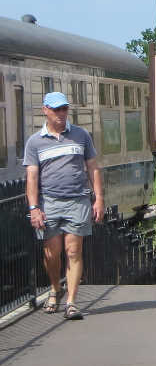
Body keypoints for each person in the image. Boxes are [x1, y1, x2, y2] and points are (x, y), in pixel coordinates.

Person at [23, 91, 105, 320]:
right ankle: (55, 288)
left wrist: (99, 198)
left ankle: (71, 302)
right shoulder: (35, 142)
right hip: (49, 202)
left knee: (74, 251)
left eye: (64, 109)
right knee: (52, 253)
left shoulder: (81, 135)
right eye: (56, 109)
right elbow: (31, 177)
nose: (61, 113)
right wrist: (34, 208)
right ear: (45, 110)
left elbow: (93, 168)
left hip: (78, 200)